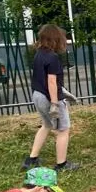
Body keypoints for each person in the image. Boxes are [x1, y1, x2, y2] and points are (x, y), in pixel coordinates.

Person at [23, 24, 78, 172]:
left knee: (46, 125)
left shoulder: (39, 54)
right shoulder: (53, 57)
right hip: (50, 98)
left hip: (37, 95)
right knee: (63, 130)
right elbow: (52, 81)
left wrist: (64, 92)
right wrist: (55, 103)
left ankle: (31, 159)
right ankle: (62, 164)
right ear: (55, 39)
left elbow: (43, 78)